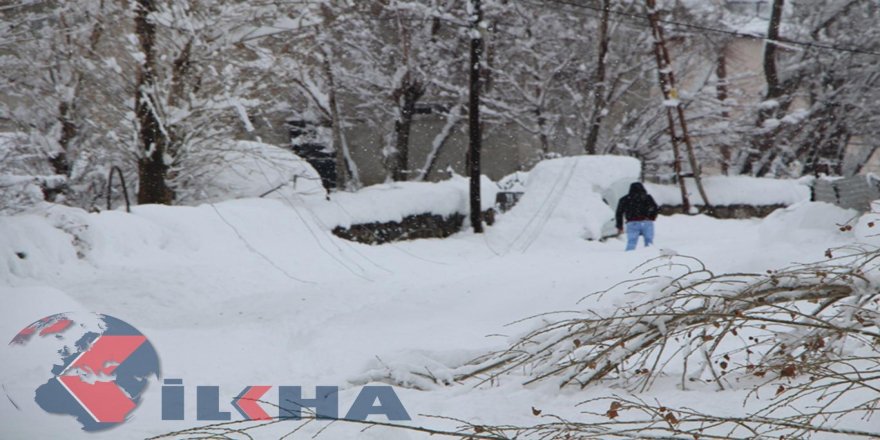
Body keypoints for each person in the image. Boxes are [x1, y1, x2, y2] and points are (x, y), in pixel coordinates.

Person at [615, 182, 659, 251]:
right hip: (647, 221)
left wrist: (619, 226)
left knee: (631, 242)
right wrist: (652, 217)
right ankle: (650, 255)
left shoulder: (624, 199)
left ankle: (629, 256)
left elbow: (619, 213)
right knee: (649, 241)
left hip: (632, 222)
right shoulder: (647, 197)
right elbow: (655, 208)